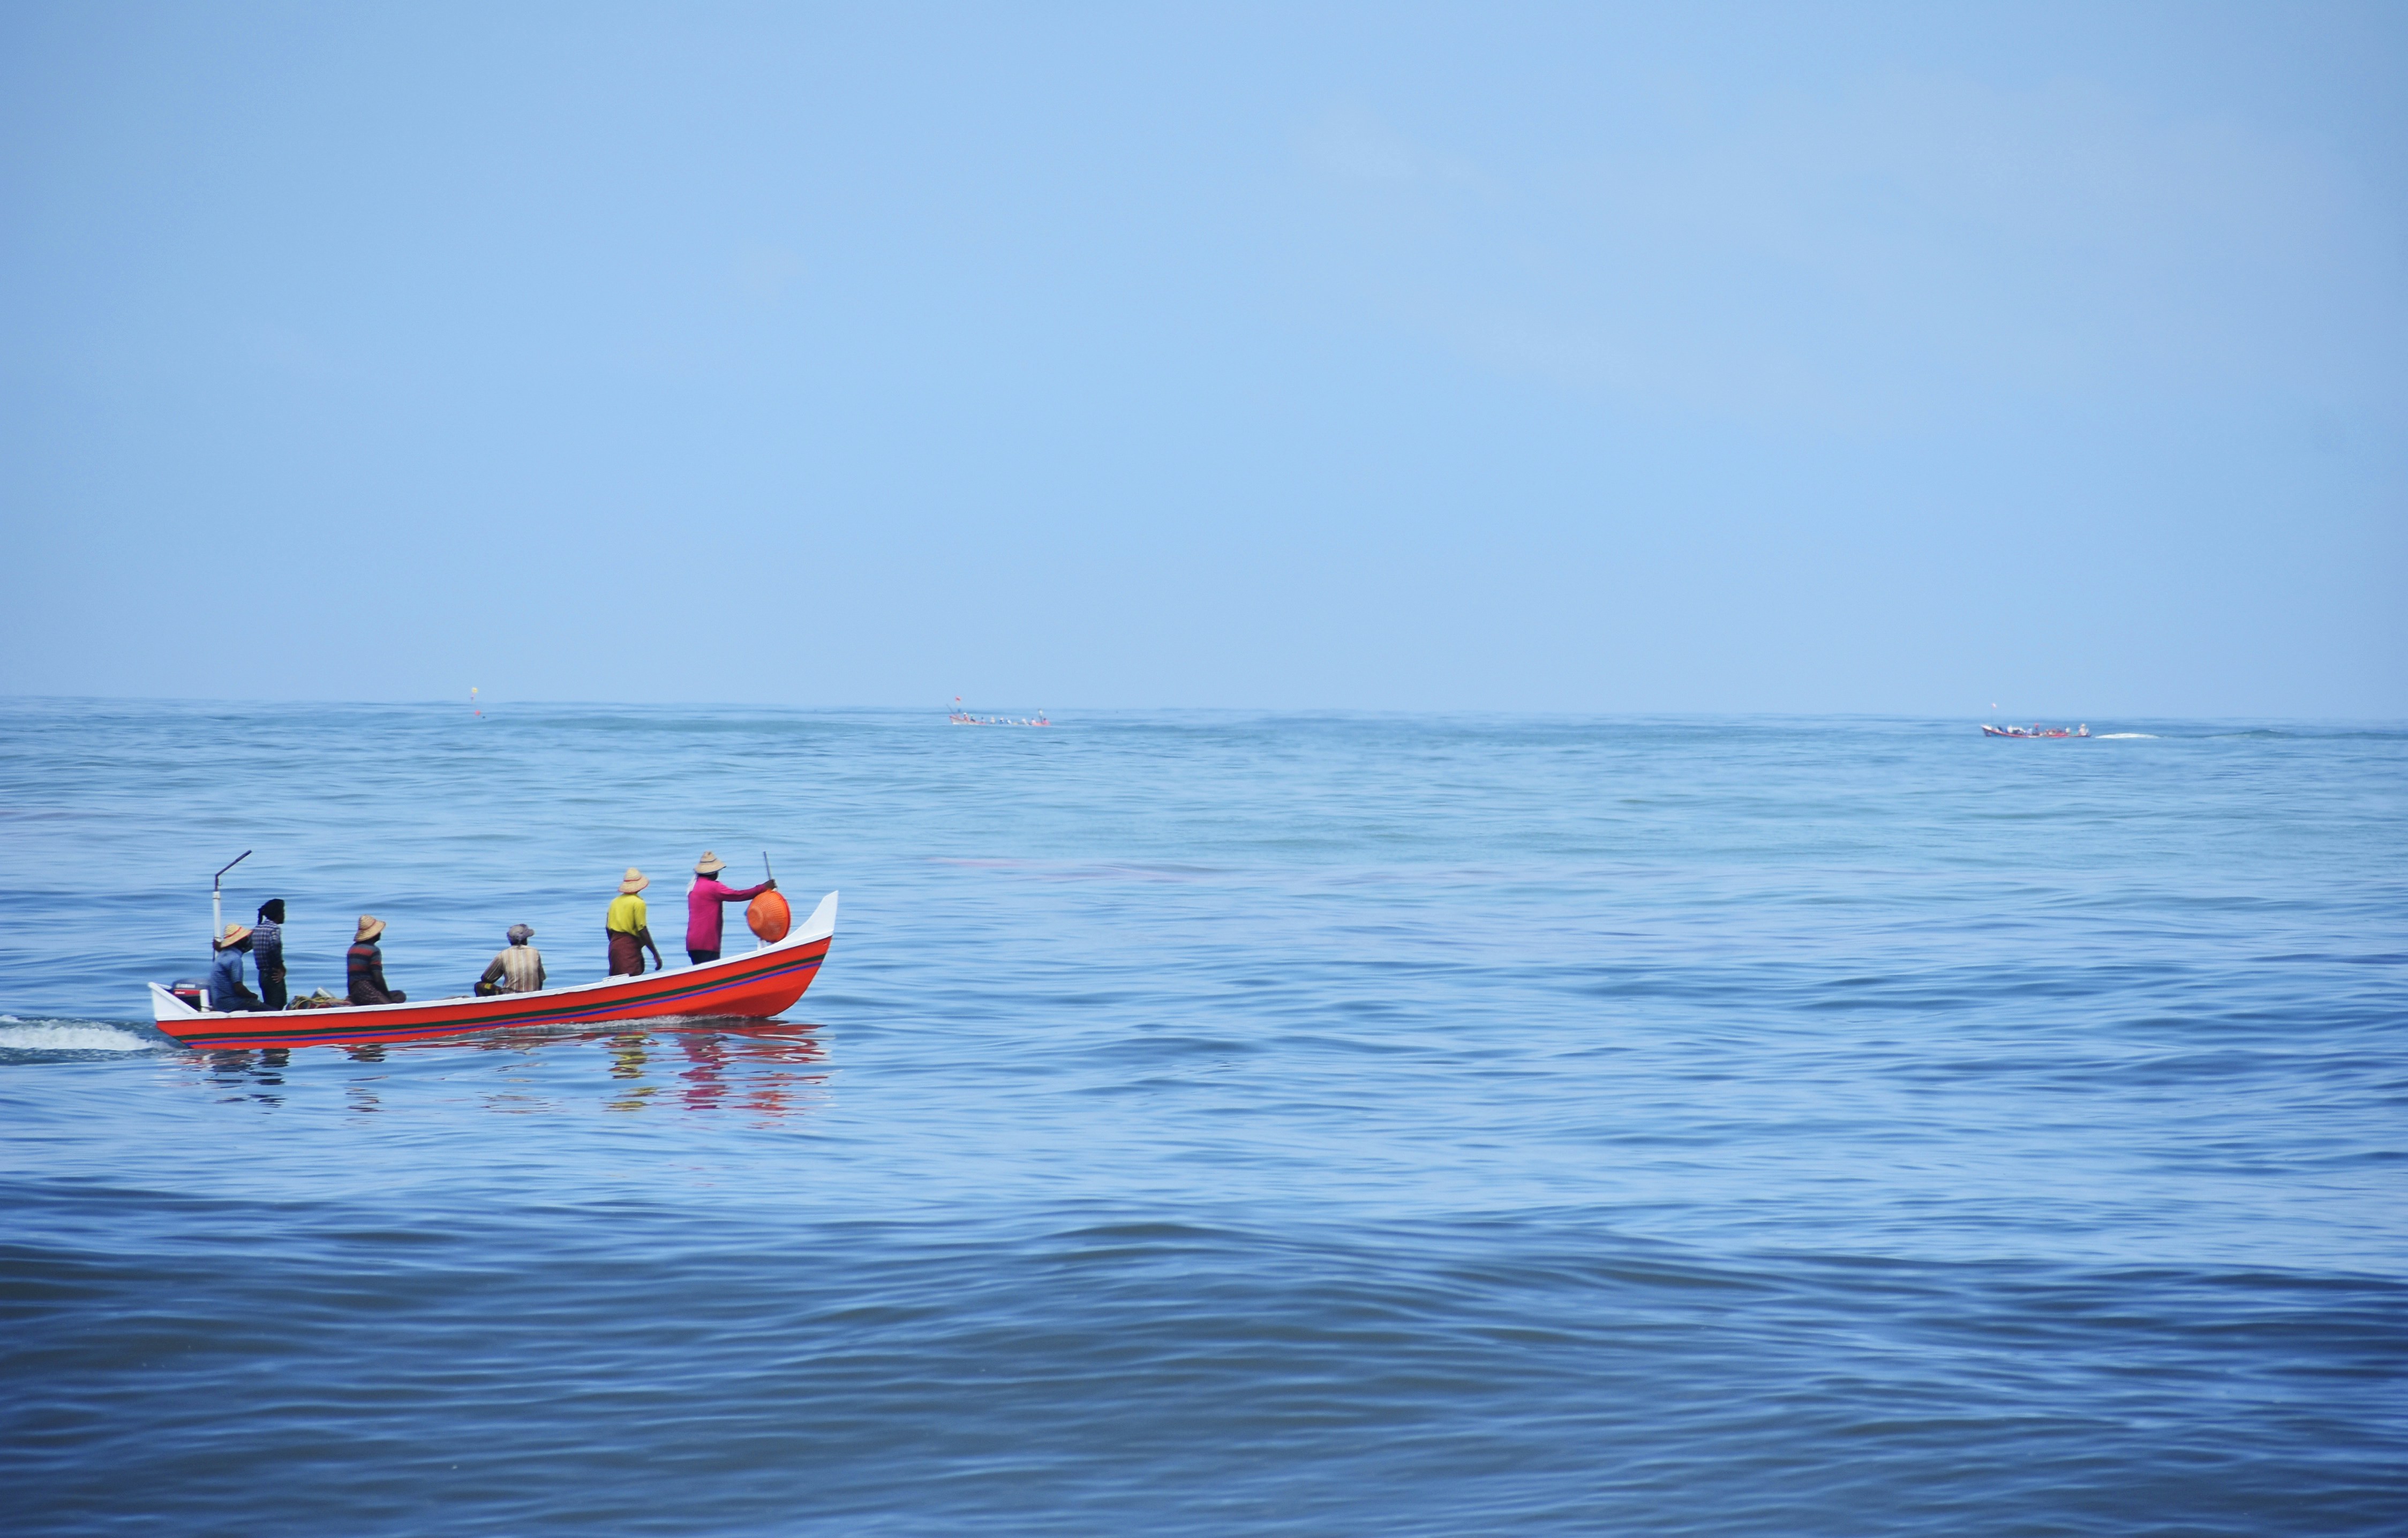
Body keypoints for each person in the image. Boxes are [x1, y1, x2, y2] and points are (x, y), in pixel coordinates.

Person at [684, 851, 776, 966]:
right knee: (711, 976)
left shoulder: (694, 886)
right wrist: (763, 888)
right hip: (707, 943)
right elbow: (738, 895)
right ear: (713, 873)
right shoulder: (714, 887)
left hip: (693, 943)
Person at [606, 868, 663, 976]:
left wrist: (616, 943)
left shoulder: (614, 902)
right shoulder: (638, 903)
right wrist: (655, 955)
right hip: (629, 947)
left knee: (617, 979)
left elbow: (608, 928)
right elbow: (642, 930)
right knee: (630, 978)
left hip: (614, 946)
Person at [347, 915, 407, 1005]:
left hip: (354, 992)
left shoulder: (352, 949)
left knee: (400, 995)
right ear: (374, 935)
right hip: (366, 990)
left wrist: (351, 996)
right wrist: (387, 997)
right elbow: (378, 978)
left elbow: (351, 977)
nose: (380, 933)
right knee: (390, 1004)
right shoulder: (373, 950)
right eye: (379, 932)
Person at [207, 923, 266, 1012]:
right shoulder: (235, 959)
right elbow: (239, 989)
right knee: (268, 1009)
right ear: (239, 941)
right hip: (230, 1003)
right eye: (244, 938)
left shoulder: (222, 956)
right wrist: (253, 996)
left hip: (219, 1002)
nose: (247, 940)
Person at [477, 924, 546, 996]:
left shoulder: (503, 955)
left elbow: (486, 979)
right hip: (533, 995)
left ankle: (485, 1006)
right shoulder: (535, 952)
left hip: (510, 995)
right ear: (525, 940)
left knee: (479, 985)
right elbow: (541, 978)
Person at [252, 899, 289, 1011]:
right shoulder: (274, 929)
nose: (284, 915)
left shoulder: (257, 929)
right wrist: (281, 968)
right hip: (273, 974)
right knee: (278, 1004)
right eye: (283, 912)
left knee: (269, 1004)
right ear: (278, 914)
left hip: (262, 975)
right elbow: (275, 947)